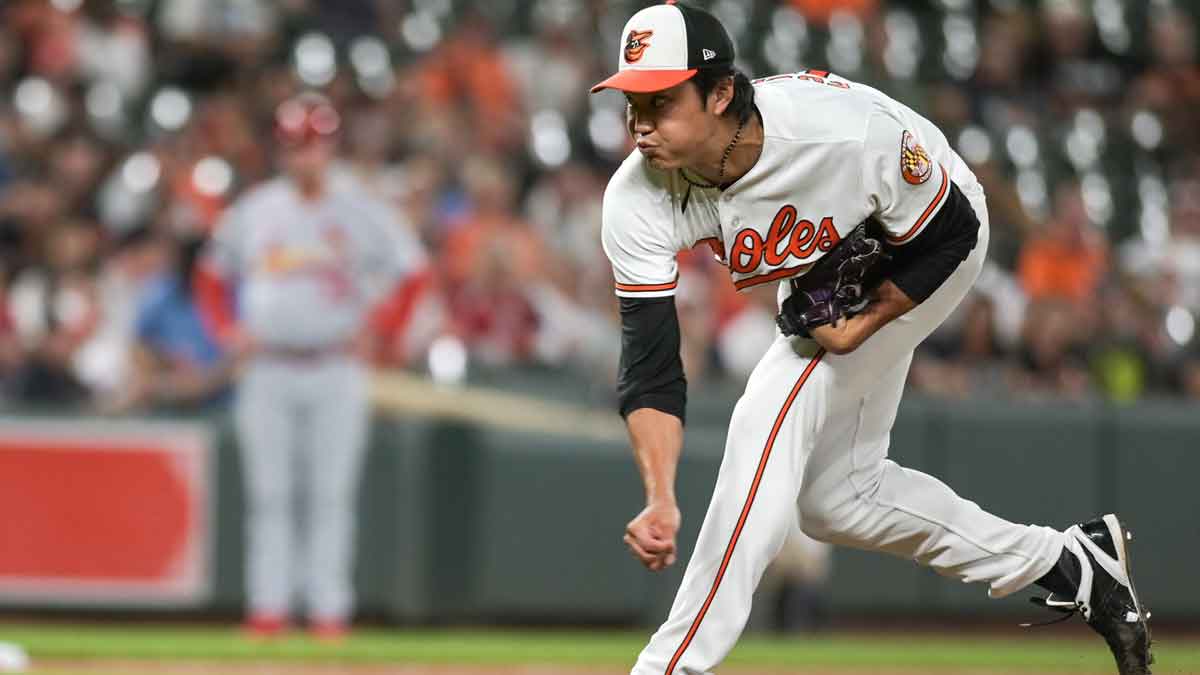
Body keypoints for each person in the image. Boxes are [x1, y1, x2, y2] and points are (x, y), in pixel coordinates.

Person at [590, 3, 1152, 674]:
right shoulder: (635, 199)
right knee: (837, 502)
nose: (641, 123)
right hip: (830, 262)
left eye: (661, 99)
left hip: (926, 231)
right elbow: (651, 367)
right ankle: (1069, 564)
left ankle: (671, 665)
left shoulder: (841, 138)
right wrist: (659, 493)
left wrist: (865, 320)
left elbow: (956, 231)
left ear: (718, 93)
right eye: (631, 102)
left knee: (766, 413)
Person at [198, 92, 421, 640]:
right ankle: (268, 610)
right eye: (296, 145)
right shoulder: (255, 210)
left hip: (336, 365)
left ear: (331, 147)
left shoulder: (361, 208)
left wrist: (385, 331)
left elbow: (413, 273)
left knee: (330, 494)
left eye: (315, 144)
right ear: (281, 149)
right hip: (268, 367)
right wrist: (226, 330)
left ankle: (328, 614)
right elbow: (209, 277)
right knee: (269, 494)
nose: (306, 156)